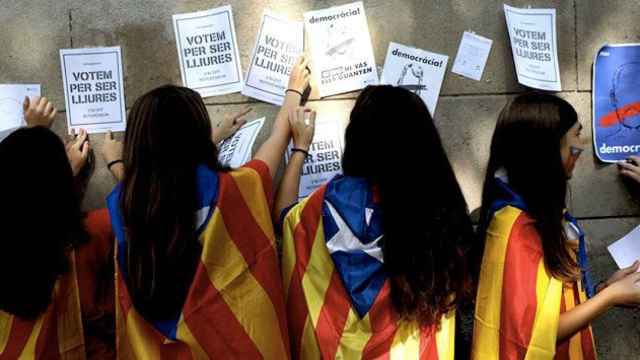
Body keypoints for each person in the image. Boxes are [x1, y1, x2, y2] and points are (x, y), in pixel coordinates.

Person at [101, 57, 311, 358]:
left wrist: (115, 163)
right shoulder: (240, 188)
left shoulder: (124, 206)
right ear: (198, 134)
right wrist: (293, 90)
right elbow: (280, 134)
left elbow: (162, 189)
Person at [275, 85, 474, 359]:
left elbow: (285, 218)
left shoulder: (321, 206)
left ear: (356, 138)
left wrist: (299, 147)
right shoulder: (437, 208)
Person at [472, 93, 640, 359]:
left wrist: (604, 289)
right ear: (549, 149)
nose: (581, 147)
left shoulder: (540, 213)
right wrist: (610, 297)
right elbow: (530, 334)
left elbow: (552, 302)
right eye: (576, 136)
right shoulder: (515, 228)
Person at [0, 96, 116, 359]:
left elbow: (27, 210)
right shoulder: (91, 234)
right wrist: (116, 163)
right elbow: (149, 212)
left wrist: (34, 138)